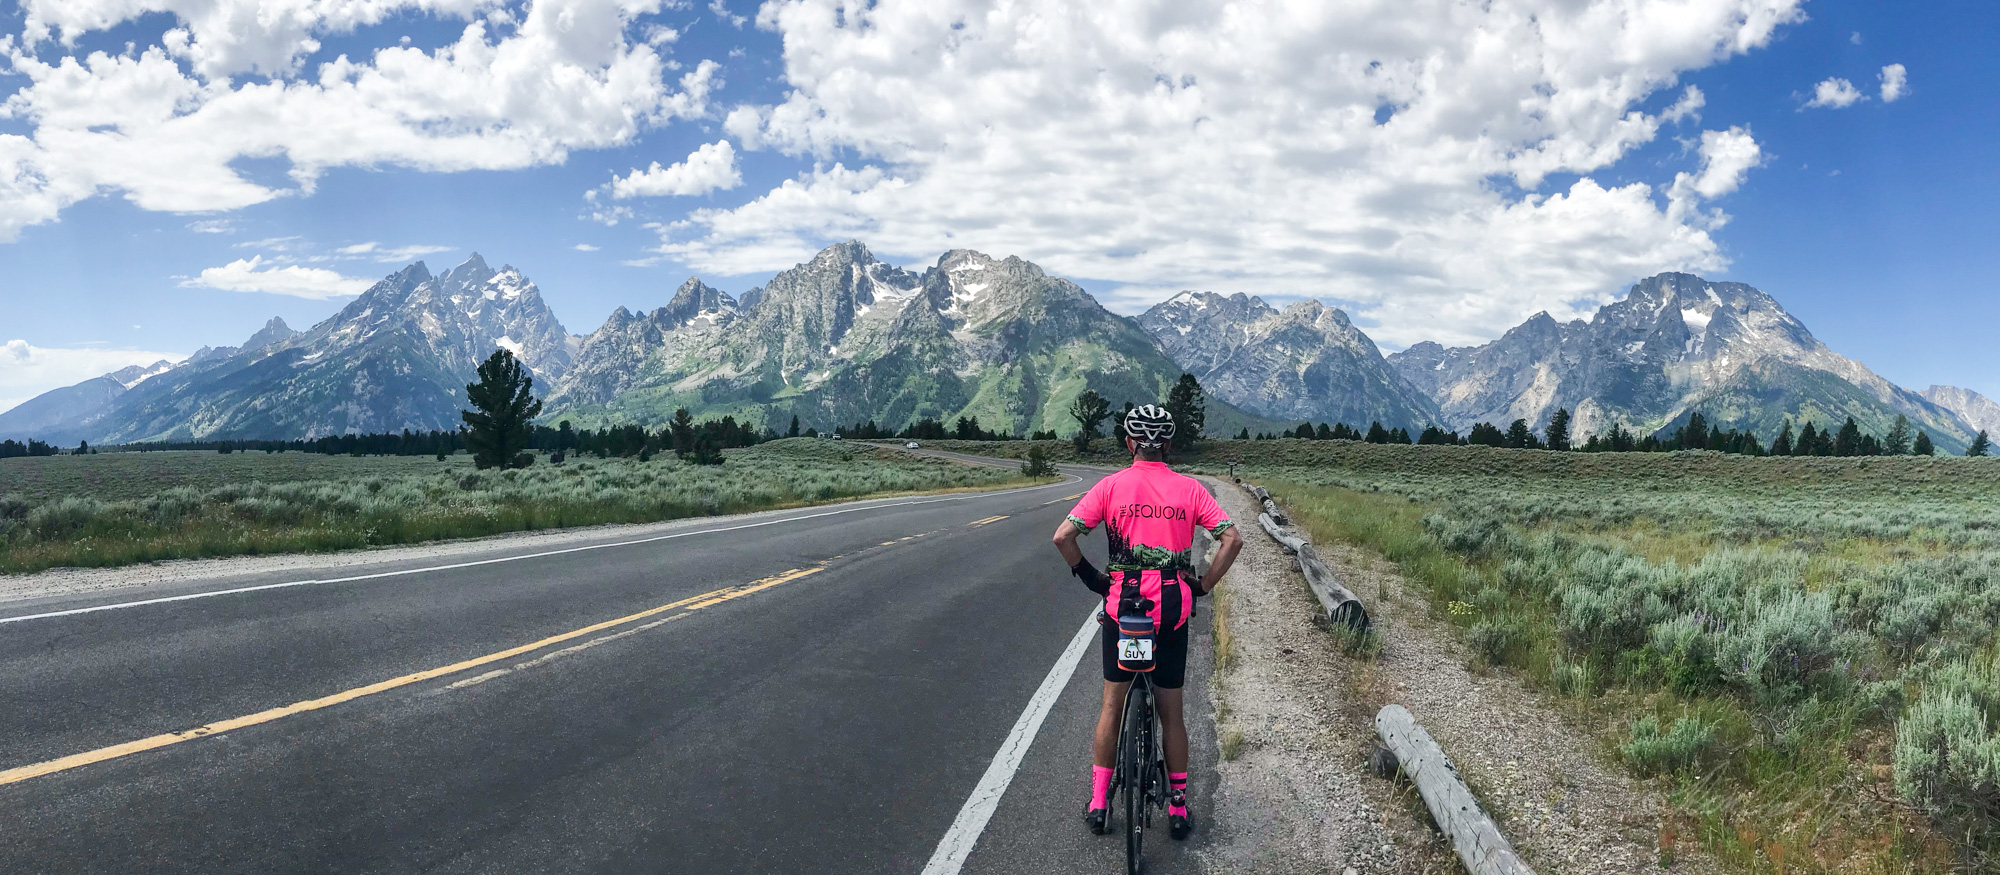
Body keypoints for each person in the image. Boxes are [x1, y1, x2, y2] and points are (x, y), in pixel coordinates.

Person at [1051, 404, 1243, 841]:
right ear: (1169, 446)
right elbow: (1233, 538)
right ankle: (1177, 805)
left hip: (1125, 609)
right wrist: (1204, 585)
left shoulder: (1110, 486)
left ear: (1130, 443)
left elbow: (1063, 536)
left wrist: (1094, 578)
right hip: (1172, 611)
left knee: (1112, 706)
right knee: (1171, 713)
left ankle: (1100, 802)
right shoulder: (1190, 490)